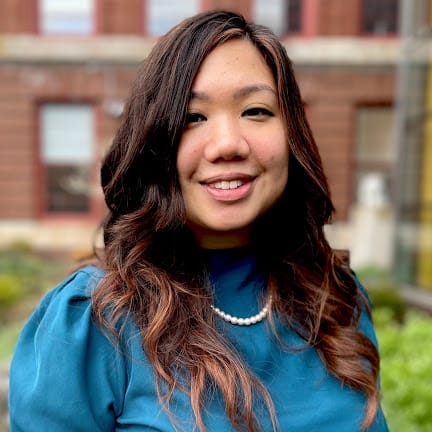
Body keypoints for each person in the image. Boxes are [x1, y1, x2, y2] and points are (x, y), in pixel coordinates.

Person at [9, 10, 389, 432]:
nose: (227, 144)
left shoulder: (337, 299)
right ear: (154, 143)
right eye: (193, 117)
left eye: (256, 111)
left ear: (292, 135)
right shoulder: (93, 322)